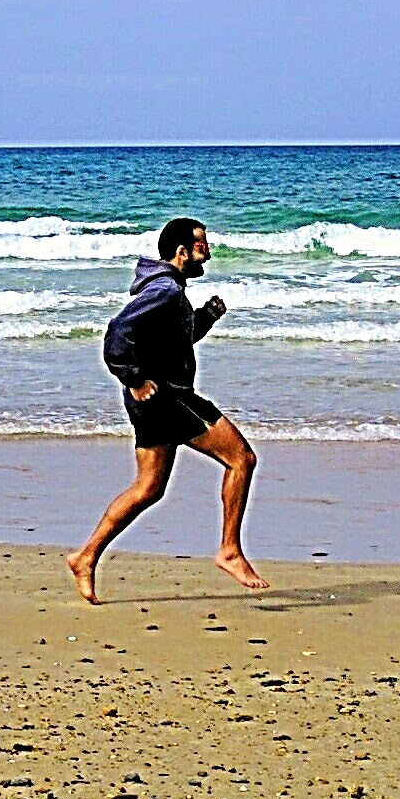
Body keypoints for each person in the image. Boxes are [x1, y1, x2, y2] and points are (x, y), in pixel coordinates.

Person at [67, 216, 265, 601]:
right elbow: (117, 333)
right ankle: (229, 550)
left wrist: (206, 316)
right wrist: (134, 378)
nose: (207, 251)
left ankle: (85, 557)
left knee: (148, 489)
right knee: (242, 459)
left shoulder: (170, 291)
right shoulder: (166, 291)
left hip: (155, 400)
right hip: (168, 398)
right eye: (201, 245)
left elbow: (175, 339)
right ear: (182, 252)